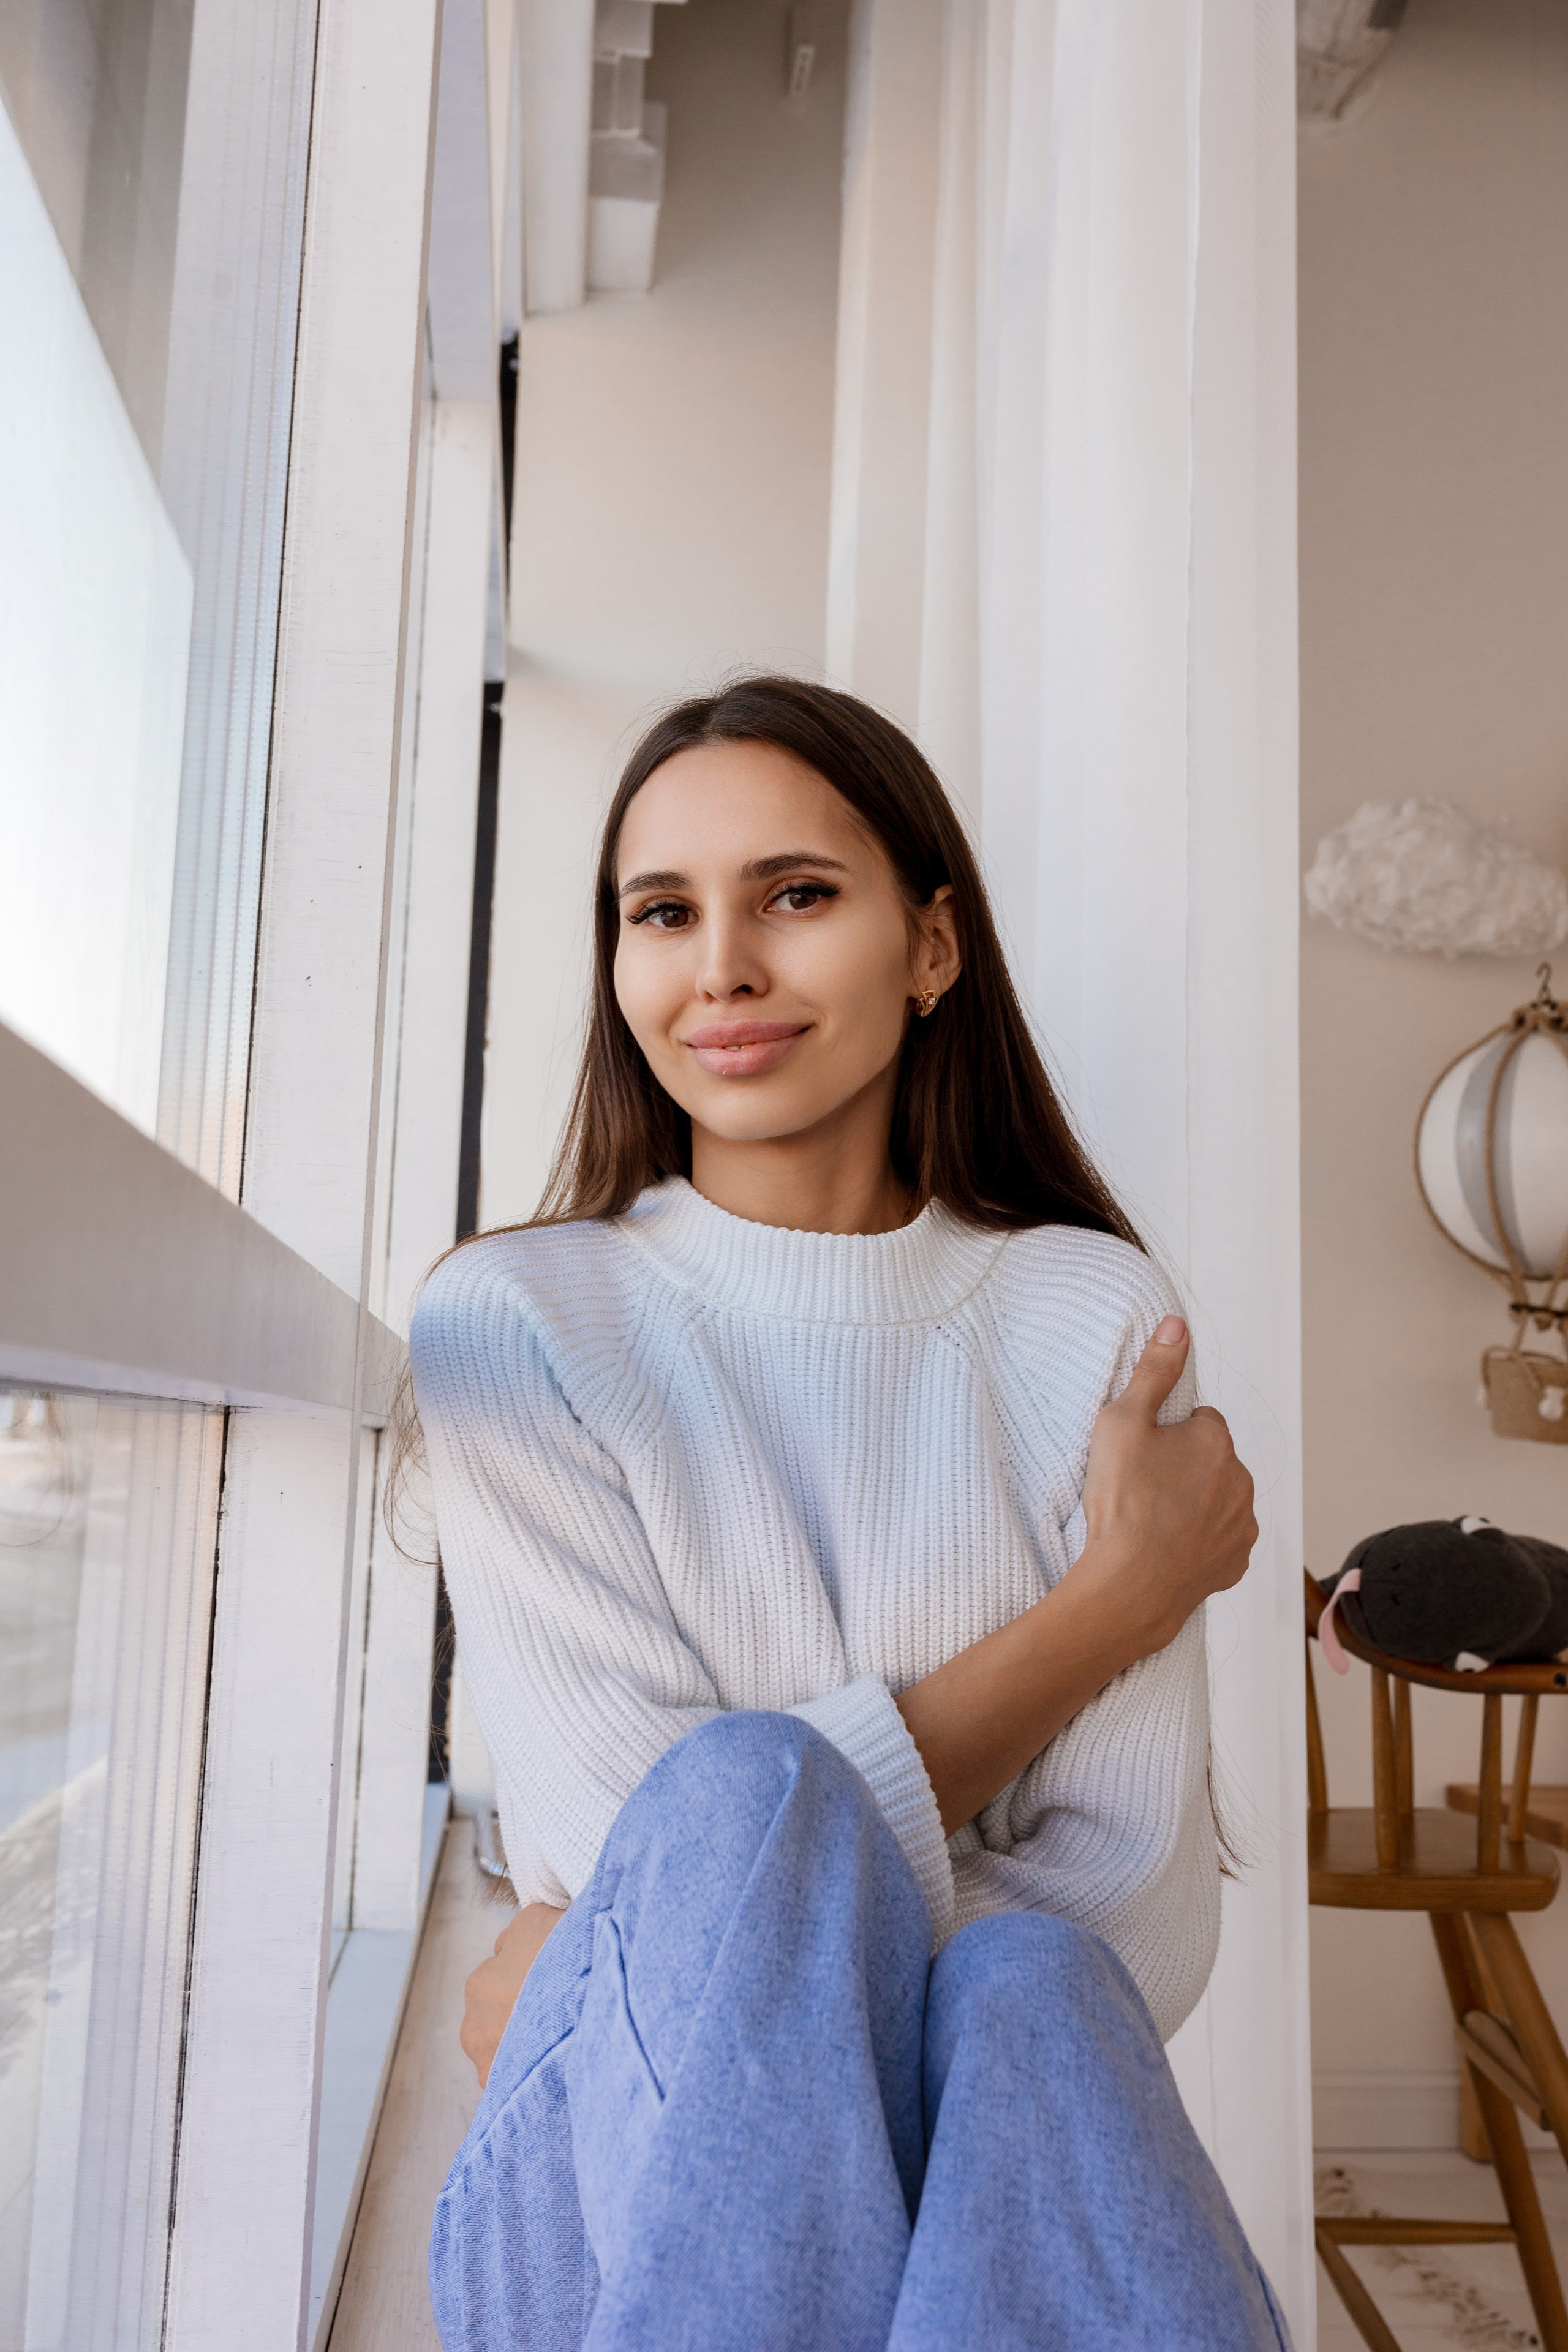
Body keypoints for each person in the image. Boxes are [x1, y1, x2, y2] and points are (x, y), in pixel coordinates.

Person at [407, 676, 1287, 2351]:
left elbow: (1136, 1918)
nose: (721, 964)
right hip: (630, 2184)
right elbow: (644, 1867)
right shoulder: (514, 1323)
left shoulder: (1087, 1318)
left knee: (1031, 1988)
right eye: (663, 912)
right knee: (762, 1806)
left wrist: (735, 1903)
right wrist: (1104, 1612)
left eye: (794, 895)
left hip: (987, 2139)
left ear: (931, 947)